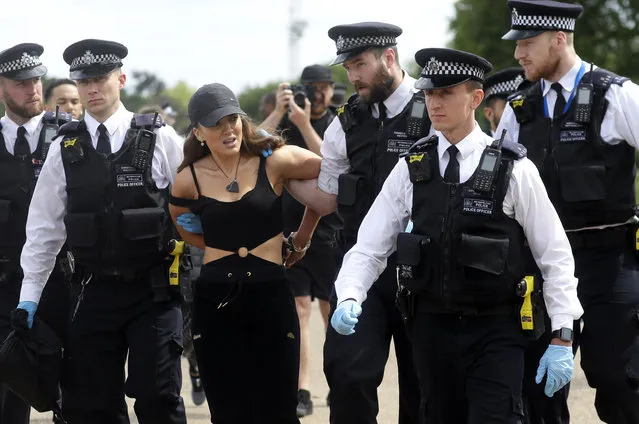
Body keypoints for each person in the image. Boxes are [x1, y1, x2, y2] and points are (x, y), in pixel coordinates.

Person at [330, 46, 583, 424]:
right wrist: (350, 293)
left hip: (496, 330)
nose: (434, 102)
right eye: (430, 93)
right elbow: (369, 246)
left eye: (446, 93)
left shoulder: (514, 169)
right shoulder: (411, 167)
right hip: (432, 331)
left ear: (476, 98)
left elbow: (555, 256)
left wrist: (563, 334)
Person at [15, 39, 187, 423]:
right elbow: (44, 228)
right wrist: (30, 295)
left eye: (100, 79)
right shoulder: (64, 148)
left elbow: (194, 203)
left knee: (158, 396)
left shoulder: (161, 140)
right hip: (92, 292)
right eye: (83, 81)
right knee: (91, 405)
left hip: (154, 293)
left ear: (121, 79)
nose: (92, 89)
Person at [496, 1, 639, 422]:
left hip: (608, 261)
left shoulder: (616, 94)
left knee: (619, 379)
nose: (518, 54)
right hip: (541, 265)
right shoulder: (517, 110)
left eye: (527, 43)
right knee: (538, 390)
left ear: (559, 39)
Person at [288, 22, 431, 424]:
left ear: (389, 58)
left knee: (425, 386)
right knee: (348, 375)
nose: (351, 77)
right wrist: (281, 174)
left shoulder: (435, 104)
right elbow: (329, 198)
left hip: (425, 270)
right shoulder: (346, 122)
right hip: (360, 269)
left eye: (359, 65)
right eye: (347, 68)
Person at [168, 82, 322, 424]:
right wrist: (219, 244)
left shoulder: (275, 160)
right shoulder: (188, 178)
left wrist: (301, 238)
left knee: (280, 409)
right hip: (215, 299)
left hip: (270, 293)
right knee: (227, 410)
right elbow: (180, 223)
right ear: (197, 132)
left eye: (232, 119)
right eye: (215, 123)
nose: (227, 129)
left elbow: (331, 182)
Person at [260, 63, 342, 417]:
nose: (320, 95)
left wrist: (306, 124)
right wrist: (281, 111)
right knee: (299, 310)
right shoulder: (284, 122)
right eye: (314, 88)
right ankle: (302, 389)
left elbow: (332, 164)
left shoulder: (340, 120)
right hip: (290, 231)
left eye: (326, 88)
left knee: (331, 311)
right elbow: (251, 146)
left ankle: (339, 383)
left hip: (330, 234)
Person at [0, 43, 74, 424]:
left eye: (36, 80)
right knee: (9, 391)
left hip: (61, 282)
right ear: (2, 89)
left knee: (75, 390)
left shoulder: (70, 137)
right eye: (20, 82)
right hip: (4, 284)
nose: (32, 89)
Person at [482, 67, 525, 136]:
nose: (518, 111)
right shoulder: (480, 146)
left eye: (523, 105)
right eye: (509, 107)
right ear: (489, 114)